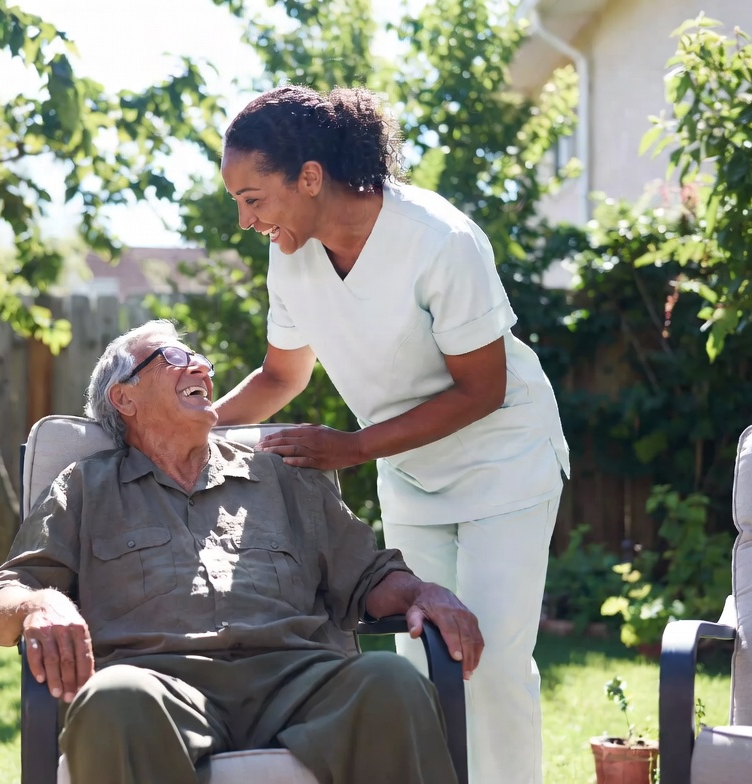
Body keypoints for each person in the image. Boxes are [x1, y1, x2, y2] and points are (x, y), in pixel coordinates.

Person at [213, 85, 571, 784]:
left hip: (505, 461)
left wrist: (349, 448)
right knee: (427, 663)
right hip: (409, 473)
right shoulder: (291, 253)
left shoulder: (440, 241)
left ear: (309, 177)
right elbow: (281, 376)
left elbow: (484, 389)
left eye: (253, 197)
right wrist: (194, 423)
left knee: (491, 663)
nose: (246, 219)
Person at [0, 319, 484, 784]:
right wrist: (37, 605)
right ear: (124, 399)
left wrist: (421, 591)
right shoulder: (85, 488)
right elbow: (1, 599)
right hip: (159, 686)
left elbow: (368, 576)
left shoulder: (280, 473)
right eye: (173, 358)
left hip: (298, 681)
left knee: (391, 680)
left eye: (200, 360)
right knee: (113, 699)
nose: (200, 367)